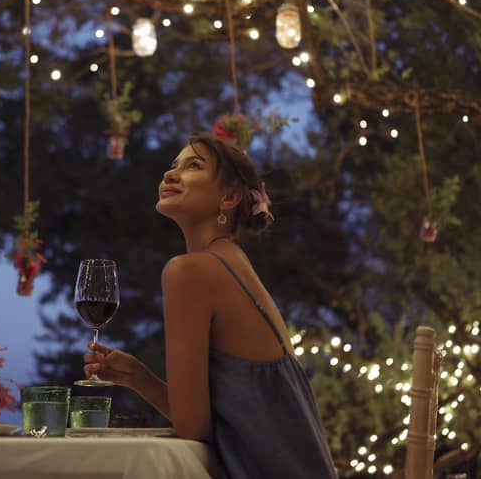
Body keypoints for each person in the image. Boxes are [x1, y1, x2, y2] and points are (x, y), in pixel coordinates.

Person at [83, 133, 339, 478]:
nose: (170, 175)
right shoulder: (233, 262)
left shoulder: (190, 271)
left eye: (193, 166)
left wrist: (142, 379)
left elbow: (193, 428)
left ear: (229, 197)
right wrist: (136, 377)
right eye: (173, 166)